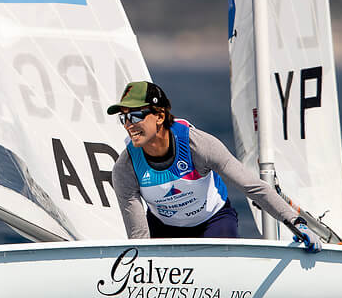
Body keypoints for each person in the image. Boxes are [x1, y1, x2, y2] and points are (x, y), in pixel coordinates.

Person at [107, 81, 319, 248]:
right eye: (123, 118)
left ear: (160, 116)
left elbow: (252, 187)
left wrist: (297, 223)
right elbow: (139, 236)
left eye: (135, 116)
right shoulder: (125, 169)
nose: (128, 125)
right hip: (163, 228)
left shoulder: (199, 146)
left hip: (213, 222)